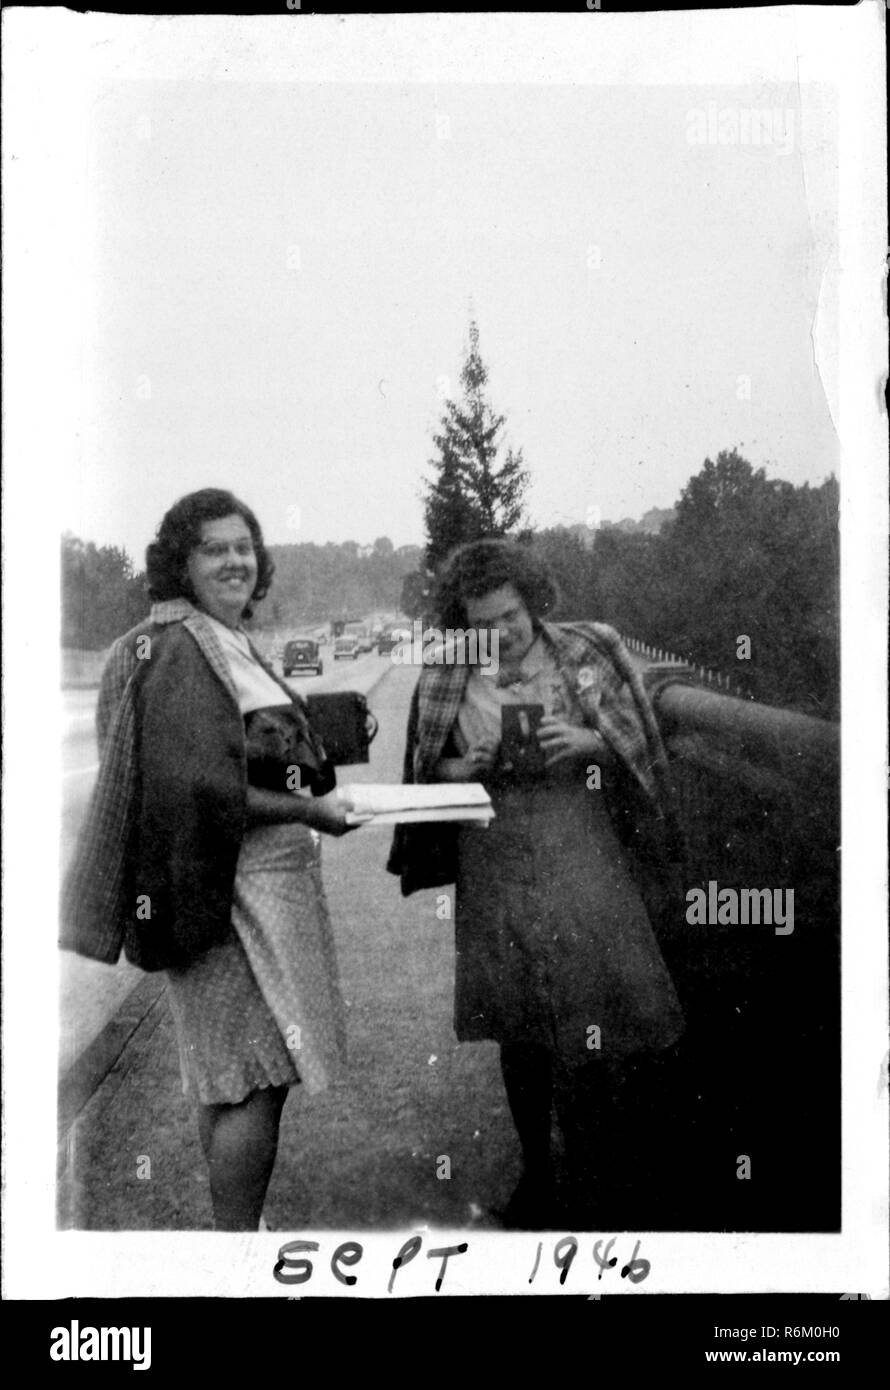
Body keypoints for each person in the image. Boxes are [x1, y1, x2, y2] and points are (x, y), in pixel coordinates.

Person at [62, 488, 356, 1231]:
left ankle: (238, 1236)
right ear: (181, 564)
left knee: (229, 1075)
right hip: (230, 891)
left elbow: (233, 755)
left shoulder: (217, 638)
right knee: (256, 1077)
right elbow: (197, 789)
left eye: (243, 547)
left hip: (239, 886)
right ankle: (236, 1253)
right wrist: (307, 808)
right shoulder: (183, 645)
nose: (234, 560)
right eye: (214, 548)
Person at [388, 538, 686, 1228]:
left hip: (580, 843)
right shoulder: (445, 677)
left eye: (511, 614)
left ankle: (604, 1171)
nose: (502, 631)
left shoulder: (590, 648)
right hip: (493, 853)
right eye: (484, 622)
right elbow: (427, 775)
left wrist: (590, 746)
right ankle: (537, 1176)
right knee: (518, 1023)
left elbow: (643, 745)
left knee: (598, 1007)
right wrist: (466, 767)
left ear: (533, 601)